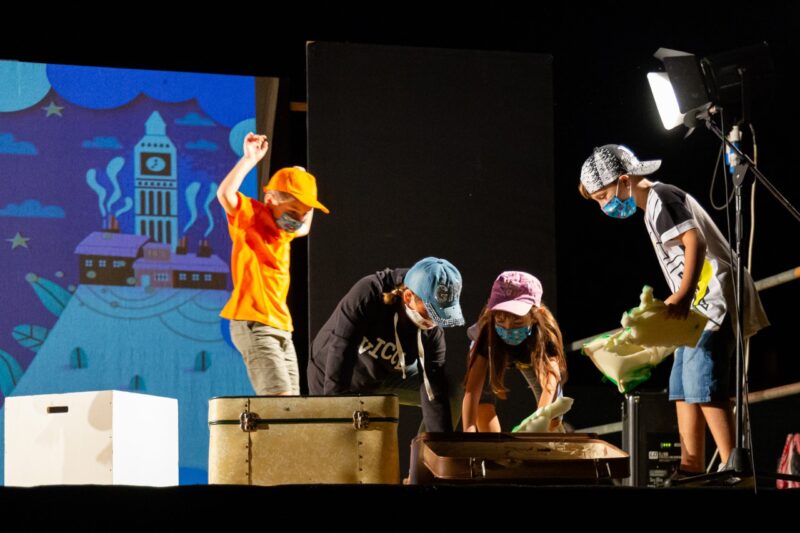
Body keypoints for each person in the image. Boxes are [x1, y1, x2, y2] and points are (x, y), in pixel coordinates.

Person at [578, 144, 769, 475]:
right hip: (697, 304)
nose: (603, 205)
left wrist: (682, 294)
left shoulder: (661, 198)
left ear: (623, 181)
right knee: (681, 383)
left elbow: (696, 242)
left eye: (603, 196)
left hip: (712, 300)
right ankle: (691, 466)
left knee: (703, 378)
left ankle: (735, 466)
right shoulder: (651, 208)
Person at [217, 132, 329, 395]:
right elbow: (225, 194)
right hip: (254, 322)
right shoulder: (252, 217)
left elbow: (304, 228)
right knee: (279, 402)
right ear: (270, 201)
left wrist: (305, 191)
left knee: (292, 407)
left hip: (281, 326)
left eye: (303, 213)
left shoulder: (285, 231)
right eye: (293, 211)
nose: (298, 219)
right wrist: (249, 159)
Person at [308, 257, 464, 432]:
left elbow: (433, 388)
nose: (435, 322)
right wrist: (335, 409)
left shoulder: (432, 332)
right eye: (431, 312)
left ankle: (428, 450)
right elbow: (341, 347)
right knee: (341, 440)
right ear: (408, 296)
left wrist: (438, 443)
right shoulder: (369, 292)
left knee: (450, 392)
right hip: (331, 371)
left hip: (381, 376)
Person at [462, 271, 568, 432]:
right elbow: (472, 391)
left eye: (517, 320)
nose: (508, 327)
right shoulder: (487, 332)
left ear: (536, 315)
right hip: (495, 349)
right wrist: (468, 435)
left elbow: (550, 384)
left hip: (530, 354)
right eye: (500, 319)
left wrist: (538, 426)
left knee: (553, 413)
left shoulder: (546, 333)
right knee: (482, 405)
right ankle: (493, 447)